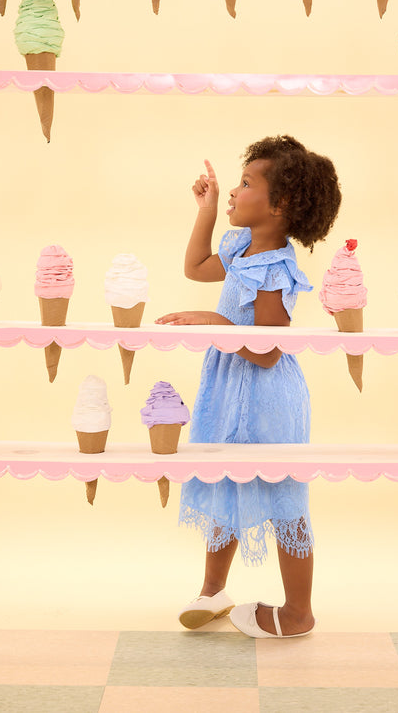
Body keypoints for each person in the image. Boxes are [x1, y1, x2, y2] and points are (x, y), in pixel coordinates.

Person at [156, 135, 341, 638]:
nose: (235, 192)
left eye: (245, 183)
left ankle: (299, 611)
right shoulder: (240, 246)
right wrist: (207, 209)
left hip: (267, 397)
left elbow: (267, 351)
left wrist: (215, 321)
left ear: (279, 205)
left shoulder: (275, 267)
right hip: (227, 388)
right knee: (225, 480)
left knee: (284, 499)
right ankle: (214, 589)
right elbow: (195, 268)